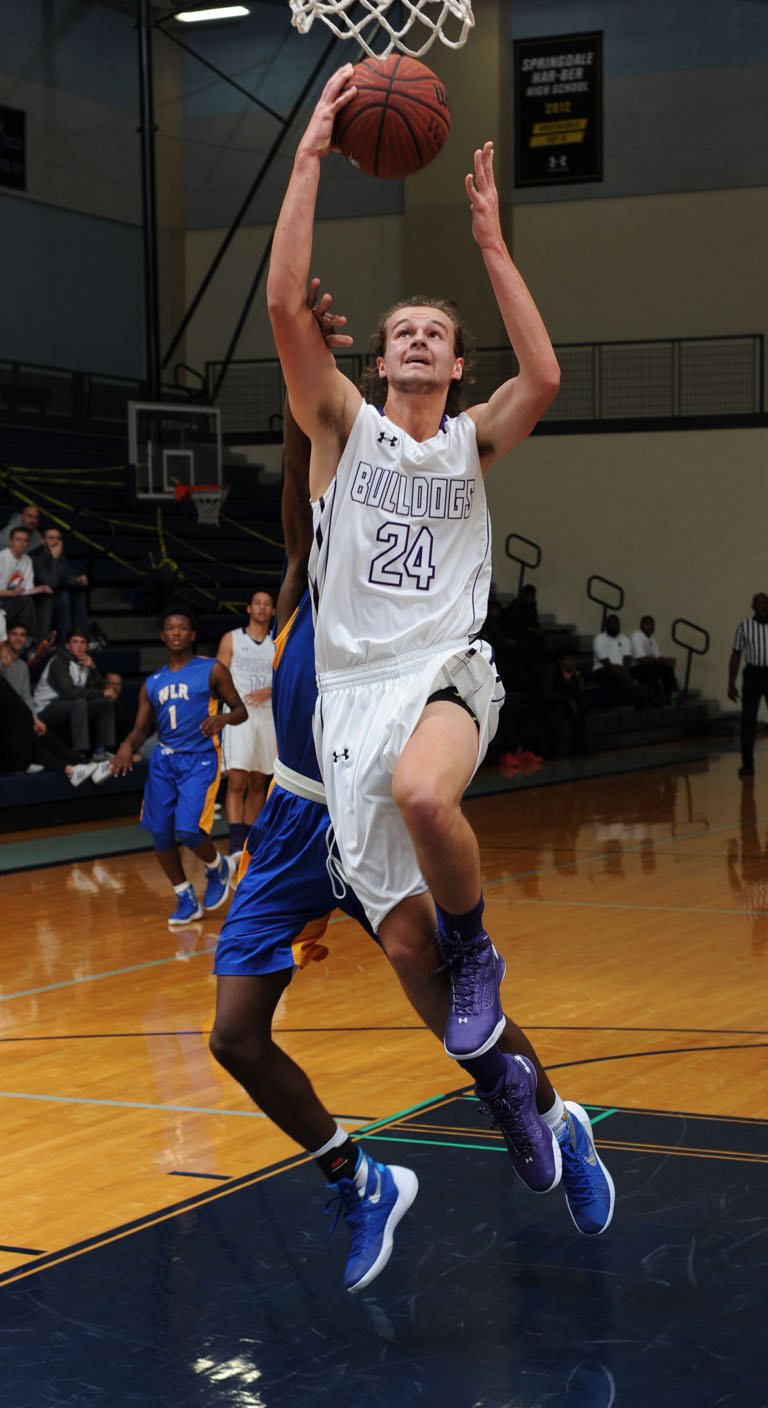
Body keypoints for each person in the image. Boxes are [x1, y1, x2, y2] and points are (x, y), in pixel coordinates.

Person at [212, 374, 614, 1299]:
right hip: (292, 816)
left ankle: (558, 1122)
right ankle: (361, 1180)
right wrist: (299, 378)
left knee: (464, 1031)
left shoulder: (389, 609)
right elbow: (299, 483)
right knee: (234, 1037)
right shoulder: (307, 578)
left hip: (369, 815)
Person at [268, 67, 561, 1069]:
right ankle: (512, 1096)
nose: (421, 340)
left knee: (430, 797)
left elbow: (547, 377)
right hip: (351, 695)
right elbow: (280, 305)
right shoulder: (343, 431)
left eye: (438, 334)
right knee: (401, 943)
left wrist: (490, 244)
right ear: (381, 364)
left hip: (442, 668)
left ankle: (477, 946)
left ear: (455, 364)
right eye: (404, 334)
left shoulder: (467, 445)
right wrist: (310, 158)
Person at [110, 606, 248, 925]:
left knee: (187, 829)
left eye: (182, 627)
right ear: (162, 635)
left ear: (192, 635)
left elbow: (241, 710)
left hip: (199, 758)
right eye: (170, 628)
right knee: (160, 834)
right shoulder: (153, 682)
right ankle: (185, 897)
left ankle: (220, 868)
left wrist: (223, 718)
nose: (176, 632)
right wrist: (125, 748)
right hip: (164, 760)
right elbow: (140, 730)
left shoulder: (212, 670)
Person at [0, 625, 110, 784]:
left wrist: (33, 719)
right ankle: (72, 769)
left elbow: (25, 698)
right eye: (14, 634)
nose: (18, 638)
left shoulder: (22, 666)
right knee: (37, 739)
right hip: (13, 720)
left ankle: (87, 765)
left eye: (22, 635)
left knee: (48, 738)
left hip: (23, 716)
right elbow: (70, 693)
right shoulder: (58, 662)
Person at [216, 590, 278, 861]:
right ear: (249, 608)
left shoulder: (277, 642)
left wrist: (270, 690)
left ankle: (250, 843)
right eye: (257, 603)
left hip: (267, 716)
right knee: (238, 780)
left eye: (267, 604)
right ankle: (235, 843)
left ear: (273, 611)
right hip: (238, 715)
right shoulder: (232, 638)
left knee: (258, 780)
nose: (262, 608)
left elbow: (287, 677)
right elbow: (217, 676)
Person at [32, 628, 116, 760]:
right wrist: (101, 692)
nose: (79, 646)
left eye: (83, 642)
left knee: (105, 703)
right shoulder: (59, 661)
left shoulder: (84, 662)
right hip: (45, 709)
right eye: (75, 642)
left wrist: (93, 668)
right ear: (67, 645)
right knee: (79, 702)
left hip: (66, 706)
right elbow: (69, 693)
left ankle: (101, 751)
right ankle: (79, 753)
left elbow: (96, 690)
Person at [728, 591, 768, 778]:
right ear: (752, 606)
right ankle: (747, 765)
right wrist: (731, 683)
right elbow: (736, 655)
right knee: (748, 721)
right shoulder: (744, 626)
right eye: (758, 603)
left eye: (764, 603)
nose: (761, 606)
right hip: (752, 675)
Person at [30, 525, 89, 643]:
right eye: (51, 538)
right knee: (63, 597)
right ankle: (65, 641)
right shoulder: (36, 556)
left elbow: (66, 576)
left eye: (58, 538)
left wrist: (78, 580)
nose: (56, 541)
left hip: (55, 590)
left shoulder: (59, 554)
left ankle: (82, 637)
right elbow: (51, 582)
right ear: (43, 540)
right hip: (40, 595)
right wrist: (55, 559)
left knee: (79, 593)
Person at [0, 526, 52, 635]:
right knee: (25, 602)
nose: (22, 543)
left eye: (25, 540)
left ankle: (36, 637)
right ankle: (29, 638)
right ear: (11, 541)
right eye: (18, 539)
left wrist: (40, 588)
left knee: (42, 598)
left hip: (15, 598)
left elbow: (26, 588)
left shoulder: (27, 560)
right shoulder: (2, 558)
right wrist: (11, 593)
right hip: (3, 598)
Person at [591, 613, 645, 706]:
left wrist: (625, 672)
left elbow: (627, 659)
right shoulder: (599, 639)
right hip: (602, 670)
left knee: (643, 672)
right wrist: (624, 675)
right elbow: (606, 663)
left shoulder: (625, 639)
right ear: (606, 625)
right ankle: (639, 701)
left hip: (620, 669)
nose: (613, 625)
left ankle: (643, 699)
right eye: (611, 623)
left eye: (616, 623)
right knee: (619, 677)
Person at [630, 615, 678, 704]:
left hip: (648, 667)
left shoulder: (652, 640)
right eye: (648, 624)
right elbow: (641, 660)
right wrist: (662, 661)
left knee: (667, 668)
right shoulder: (636, 636)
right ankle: (656, 695)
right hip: (635, 669)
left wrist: (667, 660)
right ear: (642, 625)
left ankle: (672, 694)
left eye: (652, 625)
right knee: (652, 668)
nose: (650, 627)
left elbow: (658, 657)